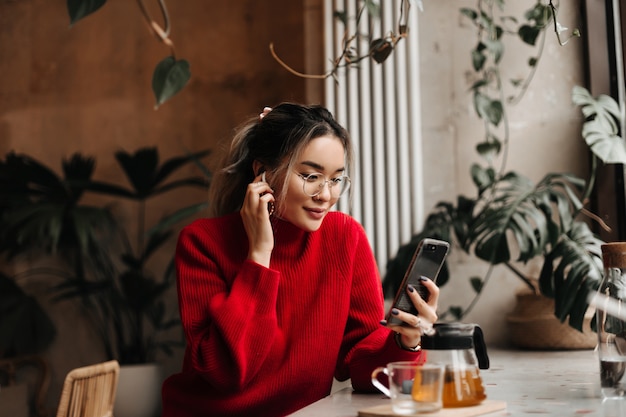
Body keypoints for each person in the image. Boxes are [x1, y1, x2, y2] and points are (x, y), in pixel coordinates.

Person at [161, 103, 440, 417]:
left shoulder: (346, 238)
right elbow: (225, 374)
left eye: (336, 179)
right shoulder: (202, 242)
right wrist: (259, 257)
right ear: (261, 174)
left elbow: (364, 370)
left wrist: (406, 343)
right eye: (311, 176)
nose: (326, 195)